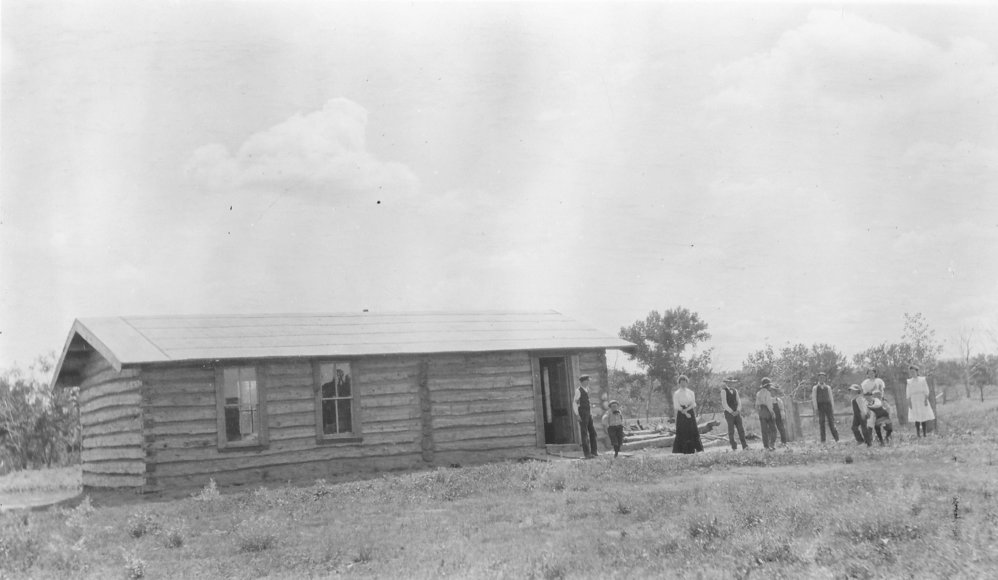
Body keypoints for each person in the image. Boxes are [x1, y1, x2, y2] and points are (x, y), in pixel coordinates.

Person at [671, 375, 704, 454]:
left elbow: (693, 404)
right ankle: (683, 450)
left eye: (685, 382)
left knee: (693, 430)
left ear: (687, 383)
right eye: (681, 382)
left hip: (690, 411)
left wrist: (687, 411)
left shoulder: (691, 392)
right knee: (683, 430)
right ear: (679, 383)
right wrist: (685, 412)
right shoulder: (677, 393)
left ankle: (696, 449)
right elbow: (676, 405)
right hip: (681, 413)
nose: (683, 384)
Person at [906, 363, 935, 438]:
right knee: (916, 417)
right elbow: (908, 393)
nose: (912, 373)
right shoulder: (909, 382)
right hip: (914, 400)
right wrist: (909, 402)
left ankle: (925, 434)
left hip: (921, 399)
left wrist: (925, 400)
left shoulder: (922, 380)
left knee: (923, 416)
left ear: (917, 372)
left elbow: (926, 390)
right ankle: (918, 434)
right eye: (911, 372)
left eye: (914, 371)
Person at [573, 375, 599, 458]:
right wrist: (577, 415)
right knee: (584, 434)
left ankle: (594, 452)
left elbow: (588, 403)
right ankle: (587, 454)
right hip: (582, 413)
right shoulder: (578, 390)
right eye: (587, 381)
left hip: (588, 413)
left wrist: (591, 413)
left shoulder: (587, 390)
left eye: (588, 380)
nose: (588, 382)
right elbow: (575, 403)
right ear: (583, 381)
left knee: (593, 432)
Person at [720, 377, 749, 450]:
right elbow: (724, 404)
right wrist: (731, 411)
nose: (730, 383)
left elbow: (739, 401)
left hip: (737, 412)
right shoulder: (723, 391)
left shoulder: (735, 390)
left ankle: (745, 446)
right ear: (725, 383)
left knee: (741, 429)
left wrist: (738, 410)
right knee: (731, 430)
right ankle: (734, 446)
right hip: (729, 413)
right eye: (728, 382)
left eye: (731, 382)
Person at [811, 372, 839, 443]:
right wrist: (816, 408)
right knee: (822, 423)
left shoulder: (828, 387)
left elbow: (831, 398)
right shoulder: (815, 388)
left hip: (828, 406)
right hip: (820, 406)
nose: (821, 379)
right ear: (818, 378)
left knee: (831, 422)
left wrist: (832, 408)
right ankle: (823, 440)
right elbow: (814, 398)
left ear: (825, 378)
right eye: (820, 377)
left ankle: (837, 439)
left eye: (823, 377)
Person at [756, 378, 777, 451]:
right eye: (769, 385)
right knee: (773, 429)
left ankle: (766, 446)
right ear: (767, 385)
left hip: (761, 411)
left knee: (764, 430)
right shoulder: (768, 393)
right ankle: (772, 444)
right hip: (767, 410)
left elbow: (757, 405)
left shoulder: (758, 393)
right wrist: (772, 412)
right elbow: (769, 404)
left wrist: (759, 412)